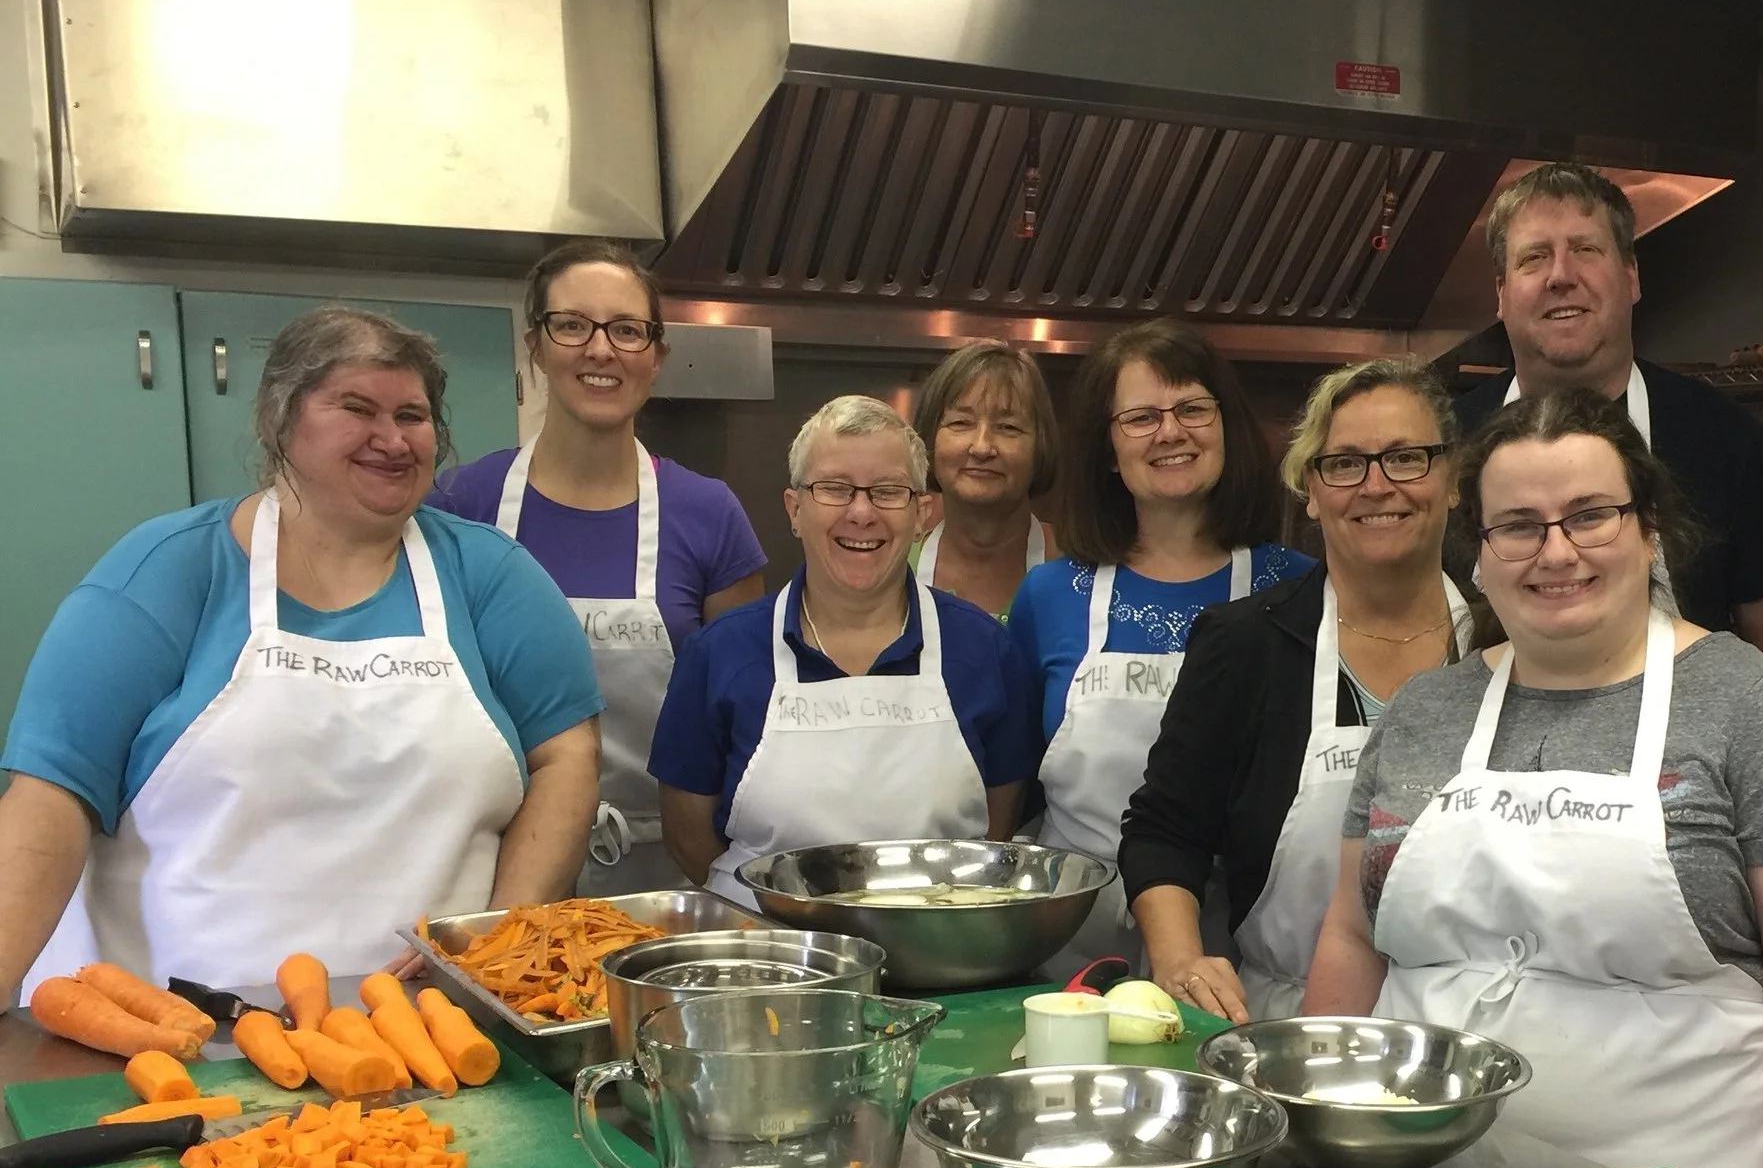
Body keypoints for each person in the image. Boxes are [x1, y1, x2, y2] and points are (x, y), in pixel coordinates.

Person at [1304, 390, 1763, 1168]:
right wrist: (1322, 1144)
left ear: (1648, 527)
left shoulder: (1752, 707)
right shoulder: (1426, 710)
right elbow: (1351, 934)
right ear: (1480, 547)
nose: (1556, 551)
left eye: (1590, 516)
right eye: (1518, 525)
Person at [0, 308, 603, 998]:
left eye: (412, 414)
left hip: (432, 1027)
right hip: (166, 1039)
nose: (391, 438)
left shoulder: (492, 576)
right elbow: (50, 799)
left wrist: (494, 944)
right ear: (281, 420)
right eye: (356, 407)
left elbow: (567, 756)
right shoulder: (170, 570)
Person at [1121, 358, 1479, 1021]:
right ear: (1311, 489)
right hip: (1287, 1025)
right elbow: (1165, 831)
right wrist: (1177, 958)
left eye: (1406, 457)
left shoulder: (1508, 643)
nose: (1376, 485)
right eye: (1345, 463)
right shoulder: (1244, 644)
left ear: (1452, 478)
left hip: (1472, 1018)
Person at [431, 240, 768, 894]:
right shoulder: (462, 504)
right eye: (572, 325)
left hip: (666, 873)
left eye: (626, 330)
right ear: (536, 344)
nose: (600, 349)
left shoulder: (708, 514)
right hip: (495, 872)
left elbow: (743, 720)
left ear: (657, 356)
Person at [649, 396, 1042, 906]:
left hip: (943, 960)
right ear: (795, 509)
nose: (861, 513)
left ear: (922, 513)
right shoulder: (718, 653)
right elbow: (688, 837)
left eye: (888, 491)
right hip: (773, 960)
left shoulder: (985, 650)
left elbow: (999, 829)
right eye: (834, 489)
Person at [1010, 318, 1313, 976]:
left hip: (1235, 941)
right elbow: (1015, 791)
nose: (1171, 432)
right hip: (1069, 942)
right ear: (1104, 449)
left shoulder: (1295, 588)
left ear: (1227, 426)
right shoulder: (1049, 595)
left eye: (1192, 409)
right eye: (1142, 416)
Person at [1453, 162, 1763, 680]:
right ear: (1502, 295)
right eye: (1534, 258)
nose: (1560, 276)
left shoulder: (1727, 441)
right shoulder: (1446, 443)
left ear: (1631, 276)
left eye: (1586, 249)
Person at [909, 339, 1060, 619]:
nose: (981, 447)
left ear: (1041, 445)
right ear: (929, 439)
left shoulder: (1080, 568)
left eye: (1008, 427)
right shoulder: (893, 568)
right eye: (960, 423)